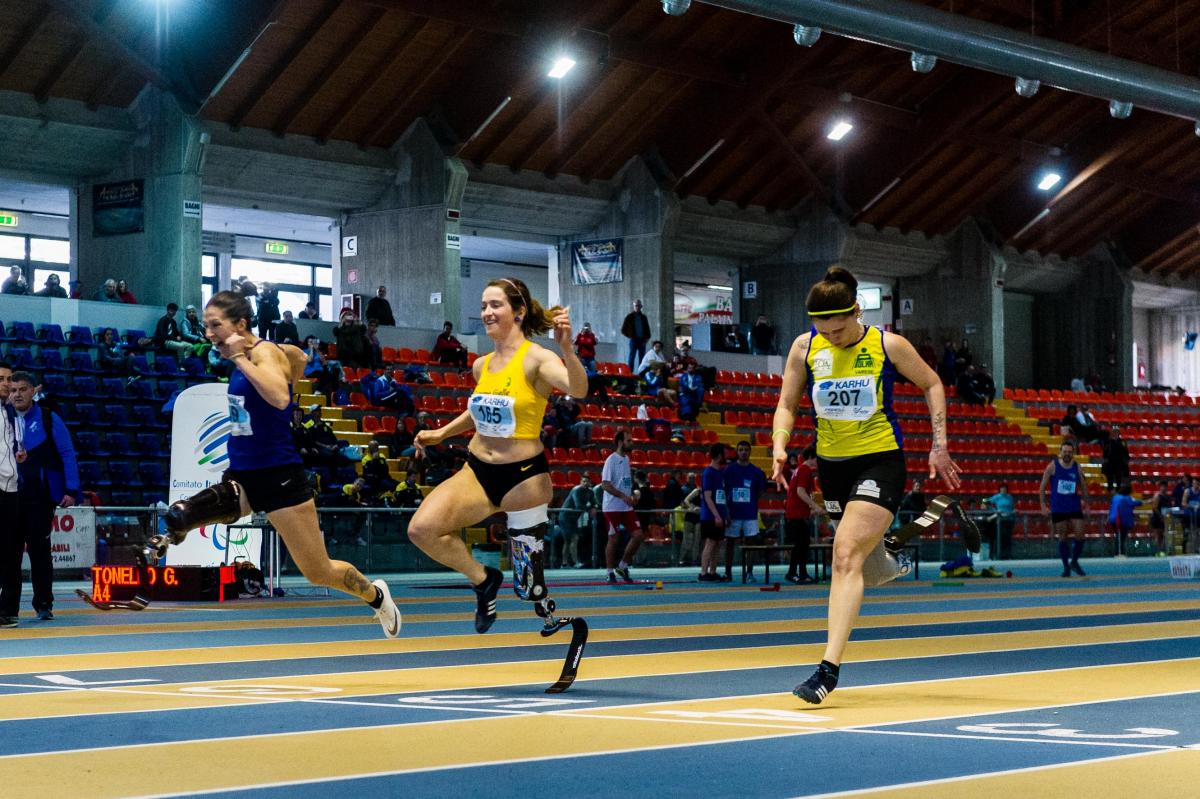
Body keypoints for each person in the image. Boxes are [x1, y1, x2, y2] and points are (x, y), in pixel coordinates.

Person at [146, 291, 401, 635]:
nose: (208, 333)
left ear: (240, 324)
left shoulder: (260, 353)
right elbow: (292, 361)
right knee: (183, 513)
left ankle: (375, 595)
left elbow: (280, 397)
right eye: (206, 326)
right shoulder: (249, 354)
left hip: (280, 477)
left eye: (215, 325)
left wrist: (242, 359)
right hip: (243, 472)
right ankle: (166, 536)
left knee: (317, 571)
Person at [770, 265, 965, 704]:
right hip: (832, 468)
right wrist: (780, 444)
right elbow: (786, 404)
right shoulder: (804, 348)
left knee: (843, 557)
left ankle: (827, 670)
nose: (833, 335)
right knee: (868, 567)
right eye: (824, 328)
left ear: (857, 311)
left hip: (880, 461)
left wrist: (939, 445)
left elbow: (932, 383)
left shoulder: (887, 345)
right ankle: (890, 552)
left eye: (840, 327)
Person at [406, 277, 586, 632]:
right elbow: (480, 410)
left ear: (518, 312)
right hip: (477, 470)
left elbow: (577, 389)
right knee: (422, 529)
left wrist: (567, 349)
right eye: (484, 307)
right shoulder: (482, 365)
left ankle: (544, 607)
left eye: (496, 305)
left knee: (529, 589)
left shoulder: (537, 358)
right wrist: (441, 433)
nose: (487, 313)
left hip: (523, 478)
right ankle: (483, 579)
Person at [1, 371, 80, 625]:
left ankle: (44, 603)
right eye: (13, 390)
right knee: (10, 553)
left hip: (40, 497)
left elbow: (67, 453)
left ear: (35, 390)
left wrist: (71, 489)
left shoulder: (48, 418)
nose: (17, 395)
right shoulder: (5, 418)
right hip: (11, 495)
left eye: (23, 389)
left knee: (39, 551)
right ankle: (8, 609)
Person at [600, 430, 645, 584]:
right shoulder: (611, 460)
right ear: (620, 442)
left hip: (626, 506)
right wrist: (623, 496)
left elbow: (625, 483)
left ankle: (623, 565)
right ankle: (609, 572)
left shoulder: (626, 460)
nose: (632, 443)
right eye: (629, 440)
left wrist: (634, 494)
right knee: (614, 538)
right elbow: (605, 484)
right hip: (612, 507)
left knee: (638, 535)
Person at [1040, 440, 1089, 578]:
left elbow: (1084, 486)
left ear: (1073, 453)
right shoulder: (1052, 466)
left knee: (1080, 535)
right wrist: (1043, 505)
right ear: (1060, 452)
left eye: (1069, 452)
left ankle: (1073, 561)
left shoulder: (1077, 467)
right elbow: (1042, 487)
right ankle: (1066, 567)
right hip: (1058, 507)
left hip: (1074, 505)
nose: (1067, 454)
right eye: (1065, 452)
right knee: (1063, 537)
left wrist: (1087, 503)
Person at [722, 440, 768, 582]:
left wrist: (750, 502)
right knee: (730, 543)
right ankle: (728, 572)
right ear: (737, 451)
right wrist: (726, 511)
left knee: (751, 544)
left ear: (750, 452)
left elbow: (760, 492)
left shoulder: (756, 472)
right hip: (733, 513)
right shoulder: (729, 470)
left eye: (746, 450)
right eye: (741, 449)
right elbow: (724, 490)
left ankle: (749, 572)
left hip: (750, 514)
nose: (743, 452)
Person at [0, 362, 20, 627]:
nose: (5, 383)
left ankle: (8, 610)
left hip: (12, 490)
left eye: (8, 380)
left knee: (11, 552)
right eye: (1, 379)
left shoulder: (15, 414)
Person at [785, 445, 822, 584]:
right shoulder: (805, 470)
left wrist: (811, 508)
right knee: (802, 544)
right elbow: (801, 492)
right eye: (817, 458)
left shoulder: (800, 469)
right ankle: (797, 573)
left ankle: (798, 572)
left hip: (796, 512)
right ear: (812, 457)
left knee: (801, 544)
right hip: (797, 513)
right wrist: (815, 506)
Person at [698, 443, 728, 581]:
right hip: (710, 515)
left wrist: (725, 515)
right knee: (710, 543)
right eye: (724, 453)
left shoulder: (720, 473)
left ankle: (712, 571)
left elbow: (721, 496)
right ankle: (703, 572)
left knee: (718, 543)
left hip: (719, 514)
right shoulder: (708, 473)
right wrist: (716, 515)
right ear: (719, 455)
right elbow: (707, 496)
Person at [556, 475, 596, 569]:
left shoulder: (590, 492)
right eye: (584, 481)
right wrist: (590, 508)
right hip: (565, 516)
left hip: (574, 518)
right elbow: (578, 505)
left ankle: (564, 563)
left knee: (568, 541)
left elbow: (594, 503)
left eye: (587, 482)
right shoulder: (576, 490)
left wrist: (594, 507)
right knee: (574, 538)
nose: (585, 483)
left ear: (590, 483)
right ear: (580, 482)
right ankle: (575, 562)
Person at [983, 482, 1016, 560]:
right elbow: (985, 502)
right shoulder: (996, 497)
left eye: (1005, 488)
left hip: (1009, 519)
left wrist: (1014, 511)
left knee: (1008, 538)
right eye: (1002, 488)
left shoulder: (1010, 497)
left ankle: (1008, 555)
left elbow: (1012, 507)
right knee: (1001, 537)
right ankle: (999, 555)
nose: (1003, 490)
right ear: (1000, 489)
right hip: (1000, 520)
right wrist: (995, 511)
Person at [1108, 482, 1142, 556]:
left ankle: (1118, 552)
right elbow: (1135, 503)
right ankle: (1119, 552)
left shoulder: (1115, 497)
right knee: (1121, 537)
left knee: (1118, 535)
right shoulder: (1126, 498)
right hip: (1121, 519)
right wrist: (1144, 502)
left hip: (1113, 519)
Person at [620, 299, 651, 374]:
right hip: (634, 340)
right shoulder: (629, 317)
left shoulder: (644, 317)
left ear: (641, 306)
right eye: (636, 306)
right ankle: (630, 373)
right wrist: (631, 336)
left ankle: (641, 374)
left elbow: (647, 329)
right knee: (631, 357)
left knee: (642, 358)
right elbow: (623, 330)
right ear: (633, 306)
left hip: (642, 340)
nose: (637, 307)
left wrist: (647, 338)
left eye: (639, 306)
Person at [1101, 427, 1130, 493]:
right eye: (1114, 432)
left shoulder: (1122, 441)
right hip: (1110, 461)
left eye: (1117, 432)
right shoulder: (1108, 441)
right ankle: (1110, 488)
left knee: (1118, 476)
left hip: (1119, 461)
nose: (1115, 433)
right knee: (1109, 476)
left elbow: (1125, 450)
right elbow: (1105, 451)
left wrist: (1127, 458)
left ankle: (1118, 488)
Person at [1149, 479, 1171, 553]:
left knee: (1162, 535)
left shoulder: (1167, 496)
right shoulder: (1157, 496)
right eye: (1162, 486)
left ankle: (1161, 551)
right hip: (1157, 518)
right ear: (1160, 487)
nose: (1164, 488)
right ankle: (1156, 551)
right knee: (1157, 535)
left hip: (1164, 518)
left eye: (1165, 486)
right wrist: (1160, 516)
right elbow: (1155, 507)